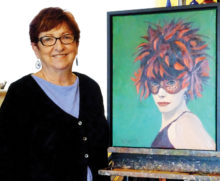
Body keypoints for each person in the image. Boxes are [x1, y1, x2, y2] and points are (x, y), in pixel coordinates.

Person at [0, 7, 109, 181]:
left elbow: (101, 148)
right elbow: (6, 163)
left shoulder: (91, 88)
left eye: (66, 37)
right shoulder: (20, 94)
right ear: (36, 48)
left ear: (76, 44)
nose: (59, 46)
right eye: (48, 39)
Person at [132, 19, 215, 150]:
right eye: (154, 83)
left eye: (170, 82)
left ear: (187, 83)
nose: (161, 93)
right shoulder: (175, 124)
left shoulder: (185, 124)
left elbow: (210, 166)